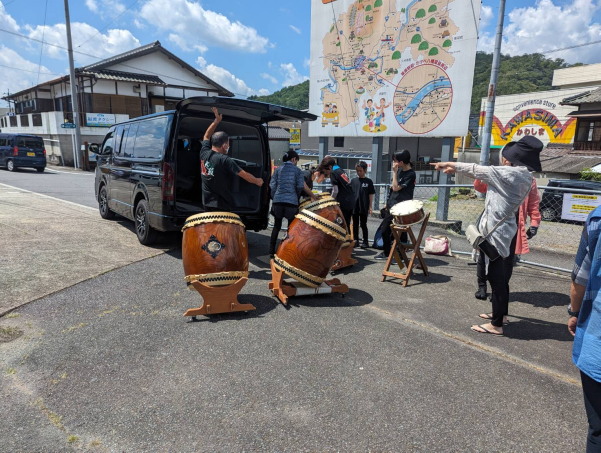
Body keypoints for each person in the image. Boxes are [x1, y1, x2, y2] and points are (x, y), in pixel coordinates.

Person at [431, 135, 541, 335]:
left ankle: (497, 324)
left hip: (497, 234)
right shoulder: (524, 175)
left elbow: (475, 169)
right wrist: (453, 168)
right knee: (501, 278)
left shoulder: (511, 174)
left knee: (496, 278)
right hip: (505, 231)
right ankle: (502, 315)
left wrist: (448, 164)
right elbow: (481, 179)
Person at [473, 149, 542, 303]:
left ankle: (500, 290)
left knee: (507, 260)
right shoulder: (497, 173)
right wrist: (482, 174)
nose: (507, 160)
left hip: (514, 224)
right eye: (505, 157)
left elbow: (533, 204)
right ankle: (482, 286)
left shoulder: (528, 179)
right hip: (494, 222)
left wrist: (534, 224)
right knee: (484, 255)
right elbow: (480, 188)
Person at [569, 204, 601, 452]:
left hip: (598, 335)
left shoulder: (597, 218)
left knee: (598, 428)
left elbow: (581, 278)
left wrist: (574, 312)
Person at [200, 107, 263, 211]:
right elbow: (245, 175)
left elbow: (206, 136)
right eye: (228, 143)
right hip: (221, 204)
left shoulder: (204, 152)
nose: (229, 146)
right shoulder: (225, 160)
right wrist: (257, 181)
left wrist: (216, 122)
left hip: (206, 203)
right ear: (224, 145)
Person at [268, 150, 315, 257]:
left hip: (278, 202)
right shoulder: (298, 171)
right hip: (291, 203)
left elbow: (272, 185)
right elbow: (300, 186)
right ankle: (286, 251)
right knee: (291, 228)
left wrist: (276, 196)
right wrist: (295, 195)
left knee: (276, 226)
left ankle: (271, 251)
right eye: (296, 161)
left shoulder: (278, 170)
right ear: (293, 159)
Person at [374, 150, 416, 260]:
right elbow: (392, 190)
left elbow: (396, 188)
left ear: (401, 162)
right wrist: (387, 203)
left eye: (395, 161)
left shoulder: (410, 174)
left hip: (401, 207)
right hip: (392, 205)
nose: (393, 163)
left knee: (392, 231)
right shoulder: (400, 171)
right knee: (388, 231)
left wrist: (394, 172)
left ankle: (393, 254)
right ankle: (392, 253)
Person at [325, 157, 355, 231]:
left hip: (344, 201)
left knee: (341, 224)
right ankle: (349, 239)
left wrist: (329, 201)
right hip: (351, 200)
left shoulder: (333, 172)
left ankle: (345, 240)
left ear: (329, 167)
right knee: (347, 223)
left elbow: (335, 190)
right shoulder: (341, 170)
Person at [351, 161, 375, 248]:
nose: (358, 172)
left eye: (360, 170)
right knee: (355, 224)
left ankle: (365, 241)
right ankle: (356, 240)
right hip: (355, 206)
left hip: (364, 206)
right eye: (357, 171)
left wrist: (370, 206)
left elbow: (371, 194)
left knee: (363, 224)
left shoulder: (368, 181)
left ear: (365, 170)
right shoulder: (353, 181)